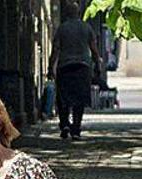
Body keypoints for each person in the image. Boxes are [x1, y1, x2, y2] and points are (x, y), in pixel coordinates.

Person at [49, 2, 102, 140]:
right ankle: (76, 128)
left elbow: (56, 49)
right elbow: (94, 49)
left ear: (66, 14)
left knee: (63, 97)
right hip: (82, 67)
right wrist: (97, 65)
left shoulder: (62, 28)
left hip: (65, 66)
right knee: (80, 99)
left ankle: (65, 124)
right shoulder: (87, 28)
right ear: (79, 13)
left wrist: (51, 66)